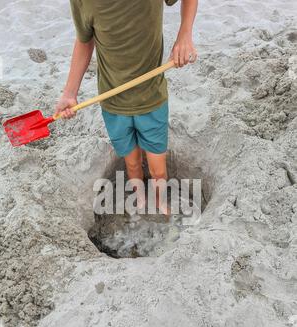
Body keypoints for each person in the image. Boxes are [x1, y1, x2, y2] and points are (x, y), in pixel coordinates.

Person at [56, 0, 198, 214]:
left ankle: (160, 201)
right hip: (112, 102)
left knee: (158, 171)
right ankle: (140, 198)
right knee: (132, 165)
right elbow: (84, 41)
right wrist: (69, 92)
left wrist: (184, 35)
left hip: (151, 99)